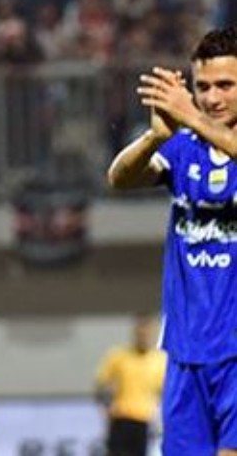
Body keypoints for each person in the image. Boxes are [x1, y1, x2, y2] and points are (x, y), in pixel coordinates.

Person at [107, 25, 237, 456]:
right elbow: (119, 178)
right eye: (203, 87)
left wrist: (191, 116)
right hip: (185, 351)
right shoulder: (185, 149)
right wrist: (155, 139)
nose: (212, 98)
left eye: (225, 85)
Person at [95, 313, 165, 456]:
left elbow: (163, 392)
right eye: (140, 333)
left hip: (144, 421)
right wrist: (105, 407)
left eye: (147, 333)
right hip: (121, 418)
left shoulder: (159, 361)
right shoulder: (119, 357)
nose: (144, 336)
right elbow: (101, 383)